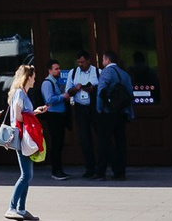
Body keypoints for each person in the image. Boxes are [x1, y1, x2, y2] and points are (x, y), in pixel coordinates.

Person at [1, 64, 40, 221]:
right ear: (28, 77)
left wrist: (35, 112)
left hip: (25, 136)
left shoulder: (22, 93)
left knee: (28, 175)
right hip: (22, 136)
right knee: (26, 175)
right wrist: (31, 120)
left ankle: (21, 209)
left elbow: (23, 114)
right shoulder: (19, 93)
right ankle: (12, 207)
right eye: (34, 77)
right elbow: (18, 116)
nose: (35, 80)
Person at [93, 50, 133, 180]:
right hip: (121, 113)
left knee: (104, 142)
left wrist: (99, 110)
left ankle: (101, 172)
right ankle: (120, 172)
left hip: (108, 113)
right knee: (121, 142)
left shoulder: (106, 72)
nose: (102, 62)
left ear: (107, 59)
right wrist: (129, 112)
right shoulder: (124, 74)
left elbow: (101, 91)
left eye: (103, 59)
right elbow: (129, 95)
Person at [64, 53, 100, 181]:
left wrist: (92, 89)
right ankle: (89, 168)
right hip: (80, 107)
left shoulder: (97, 71)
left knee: (101, 136)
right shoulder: (73, 73)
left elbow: (102, 89)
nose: (80, 65)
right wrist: (76, 89)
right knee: (85, 139)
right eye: (78, 62)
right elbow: (68, 91)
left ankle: (103, 167)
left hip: (94, 107)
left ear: (89, 61)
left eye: (83, 62)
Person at [35, 62, 70, 179]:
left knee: (59, 143)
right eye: (56, 69)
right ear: (50, 71)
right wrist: (63, 97)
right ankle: (56, 171)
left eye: (59, 68)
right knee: (56, 143)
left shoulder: (55, 82)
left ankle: (59, 169)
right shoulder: (47, 83)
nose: (59, 71)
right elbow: (49, 99)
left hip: (59, 116)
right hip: (53, 116)